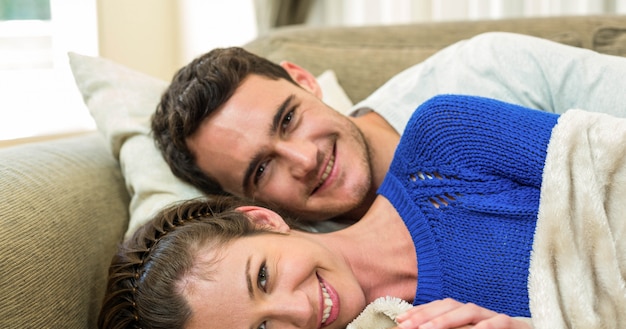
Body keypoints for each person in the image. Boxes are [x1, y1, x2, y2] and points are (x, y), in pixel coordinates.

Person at [103, 95, 626, 329]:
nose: (298, 311)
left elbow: (611, 163)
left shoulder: (443, 141)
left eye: (263, 277)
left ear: (264, 220)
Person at [151, 31, 626, 225]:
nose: (304, 159)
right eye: (261, 169)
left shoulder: (485, 68)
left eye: (289, 119)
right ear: (249, 204)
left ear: (304, 80)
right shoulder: (302, 275)